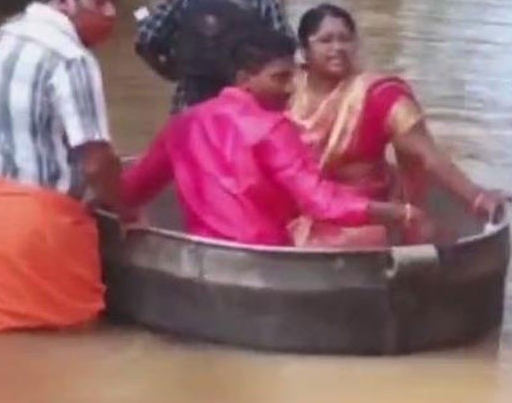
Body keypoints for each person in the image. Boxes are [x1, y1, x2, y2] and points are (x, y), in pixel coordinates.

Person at [119, 15, 431, 248]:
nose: (290, 88)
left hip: (206, 250)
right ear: (244, 79)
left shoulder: (182, 124)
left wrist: (107, 209)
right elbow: (322, 202)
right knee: (374, 237)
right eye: (279, 78)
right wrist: (399, 212)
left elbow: (128, 191)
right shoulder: (272, 127)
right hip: (265, 256)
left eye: (292, 77)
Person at [0, 0, 129, 333]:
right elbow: (96, 159)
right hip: (44, 225)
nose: (111, 14)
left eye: (114, 2)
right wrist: (126, 209)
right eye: (99, 1)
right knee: (67, 346)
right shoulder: (72, 58)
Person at [287, 3, 512, 248]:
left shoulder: (379, 95)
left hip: (366, 214)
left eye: (345, 39)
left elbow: (427, 156)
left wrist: (477, 196)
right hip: (297, 205)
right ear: (305, 50)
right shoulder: (285, 88)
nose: (338, 48)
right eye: (326, 40)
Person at [134, 0, 293, 113]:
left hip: (190, 104)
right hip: (241, 112)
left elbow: (145, 38)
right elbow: (286, 52)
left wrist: (167, 71)